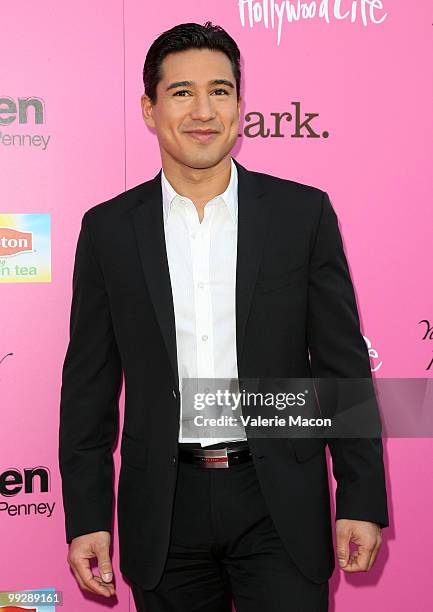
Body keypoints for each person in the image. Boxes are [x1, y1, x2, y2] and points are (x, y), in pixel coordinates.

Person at [58, 21, 389, 612]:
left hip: (278, 498)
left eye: (221, 90)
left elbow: (340, 367)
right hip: (164, 507)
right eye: (182, 92)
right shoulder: (108, 229)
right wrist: (86, 517)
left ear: (239, 106)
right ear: (150, 109)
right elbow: (88, 385)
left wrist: (360, 496)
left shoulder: (301, 214)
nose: (203, 110)